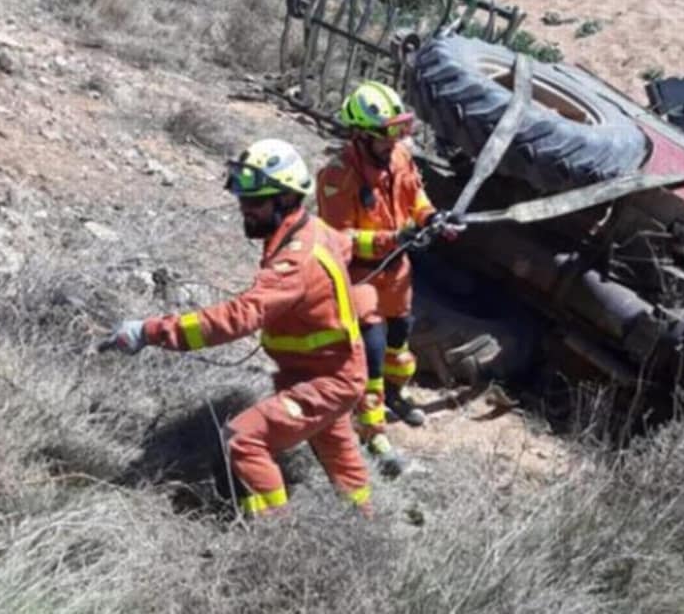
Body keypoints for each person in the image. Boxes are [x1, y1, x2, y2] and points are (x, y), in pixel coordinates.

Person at [100, 139, 372, 517]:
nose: (245, 210)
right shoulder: (313, 229)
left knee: (243, 439)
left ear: (286, 199)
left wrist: (151, 331)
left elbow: (237, 318)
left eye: (255, 202)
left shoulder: (294, 262)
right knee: (340, 457)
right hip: (324, 371)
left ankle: (274, 536)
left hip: (327, 380)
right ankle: (365, 521)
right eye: (243, 200)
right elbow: (346, 243)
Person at [316, 81, 459, 477]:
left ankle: (396, 394)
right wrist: (390, 237)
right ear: (361, 134)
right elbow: (337, 238)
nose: (395, 140)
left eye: (399, 131)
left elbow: (415, 198)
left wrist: (433, 219)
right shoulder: (338, 175)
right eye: (386, 134)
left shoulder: (399, 157)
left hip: (397, 274)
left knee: (400, 339)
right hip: (360, 279)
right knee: (373, 352)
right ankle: (373, 430)